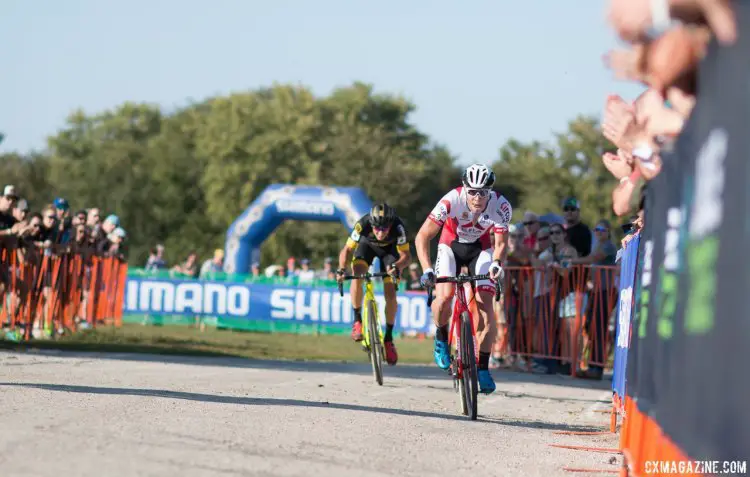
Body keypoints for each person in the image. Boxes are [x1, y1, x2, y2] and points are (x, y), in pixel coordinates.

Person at [414, 163, 512, 394]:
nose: (478, 198)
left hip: (481, 249)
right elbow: (422, 236)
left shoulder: (502, 205)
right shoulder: (450, 200)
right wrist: (428, 269)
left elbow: (500, 244)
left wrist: (497, 263)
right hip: (451, 245)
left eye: (483, 192)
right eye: (473, 192)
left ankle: (483, 368)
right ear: (465, 188)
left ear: (490, 191)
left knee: (486, 306)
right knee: (445, 296)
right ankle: (440, 336)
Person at [336, 202, 411, 366]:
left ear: (390, 225)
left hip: (389, 254)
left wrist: (397, 267)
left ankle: (389, 339)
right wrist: (341, 270)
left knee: (390, 293)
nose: (380, 232)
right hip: (366, 248)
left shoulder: (398, 227)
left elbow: (406, 255)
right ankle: (357, 321)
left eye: (384, 229)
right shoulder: (362, 224)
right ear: (372, 224)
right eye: (377, 228)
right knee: (357, 275)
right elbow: (347, 250)